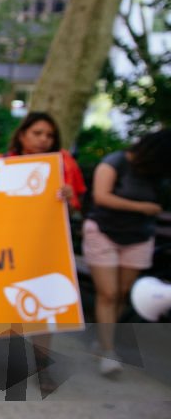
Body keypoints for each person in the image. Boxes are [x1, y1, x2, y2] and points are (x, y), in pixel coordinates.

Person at [84, 129, 171, 376]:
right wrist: (141, 207)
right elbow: (101, 196)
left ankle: (103, 337)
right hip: (104, 231)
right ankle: (107, 351)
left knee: (121, 293)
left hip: (139, 237)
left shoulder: (158, 176)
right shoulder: (115, 162)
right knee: (108, 293)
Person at [6, 112, 86, 211]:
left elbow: (76, 203)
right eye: (37, 133)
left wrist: (68, 199)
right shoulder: (2, 163)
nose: (44, 139)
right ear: (21, 135)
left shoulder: (65, 162)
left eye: (50, 136)